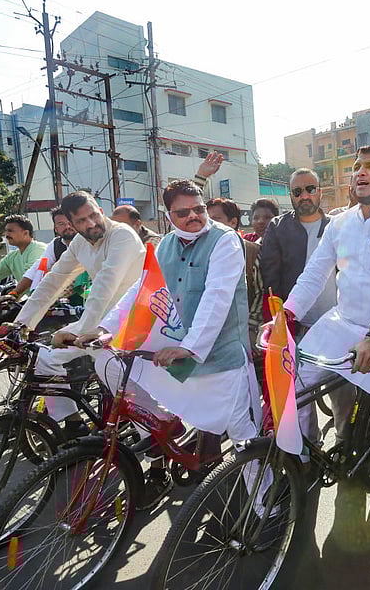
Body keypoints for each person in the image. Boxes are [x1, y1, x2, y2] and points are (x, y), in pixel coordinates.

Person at [96, 178, 259, 507]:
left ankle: (264, 505)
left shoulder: (225, 241)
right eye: (183, 213)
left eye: (199, 209)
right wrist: (106, 328)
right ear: (168, 214)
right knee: (106, 363)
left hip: (221, 358)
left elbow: (217, 298)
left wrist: (192, 347)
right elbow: (140, 291)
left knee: (245, 439)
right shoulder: (164, 246)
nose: (194, 217)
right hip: (175, 355)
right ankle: (164, 430)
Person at [282, 146, 370, 477]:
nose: (360, 172)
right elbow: (315, 274)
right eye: (357, 167)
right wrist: (286, 315)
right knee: (294, 383)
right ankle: (301, 466)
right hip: (342, 324)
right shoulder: (339, 224)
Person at [12, 192, 145, 436]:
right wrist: (20, 324)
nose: (91, 223)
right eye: (82, 221)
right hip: (99, 320)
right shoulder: (79, 244)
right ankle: (74, 423)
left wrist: (84, 333)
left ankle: (153, 439)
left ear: (101, 210)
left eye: (94, 215)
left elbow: (105, 285)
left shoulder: (122, 235)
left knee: (114, 375)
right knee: (44, 359)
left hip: (134, 320)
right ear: (71, 225)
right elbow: (54, 280)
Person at [260, 168, 339, 434]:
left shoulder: (337, 227)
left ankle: (343, 443)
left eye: (310, 189)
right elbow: (270, 279)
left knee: (343, 391)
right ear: (291, 196)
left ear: (320, 191)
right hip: (297, 324)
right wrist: (281, 323)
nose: (304, 196)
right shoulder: (278, 228)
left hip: (337, 322)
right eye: (297, 191)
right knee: (299, 394)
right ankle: (307, 456)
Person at [0, 206, 86, 308]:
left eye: (70, 222)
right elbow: (37, 269)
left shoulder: (88, 242)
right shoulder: (55, 245)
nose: (67, 226)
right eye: (61, 224)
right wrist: (14, 293)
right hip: (64, 300)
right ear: (56, 228)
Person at [205, 197, 263, 350]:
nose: (210, 225)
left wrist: (250, 329)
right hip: (206, 335)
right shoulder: (200, 251)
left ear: (233, 222)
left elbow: (260, 293)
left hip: (240, 335)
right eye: (207, 219)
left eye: (216, 219)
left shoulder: (250, 251)